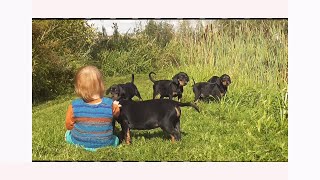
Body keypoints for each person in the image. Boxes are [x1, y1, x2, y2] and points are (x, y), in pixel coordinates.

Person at [65, 65, 121, 151]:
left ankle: (81, 140)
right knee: (115, 139)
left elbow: (69, 125)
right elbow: (116, 114)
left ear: (78, 88)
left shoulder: (74, 105)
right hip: (105, 144)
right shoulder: (109, 104)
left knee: (68, 134)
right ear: (101, 85)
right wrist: (116, 106)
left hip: (80, 142)